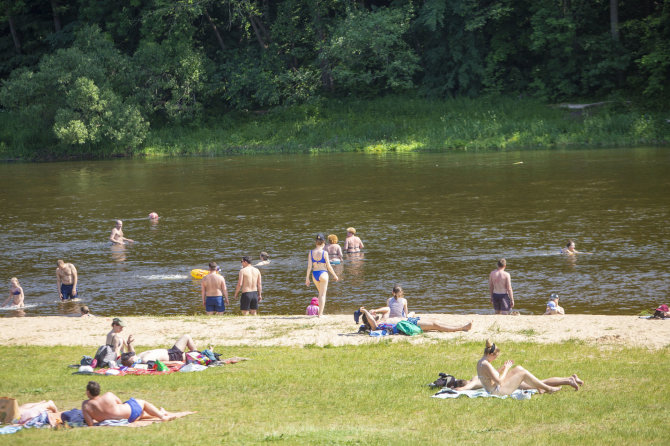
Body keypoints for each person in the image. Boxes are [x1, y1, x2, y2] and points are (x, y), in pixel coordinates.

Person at [476, 339, 583, 396]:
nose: (494, 359)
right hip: (498, 391)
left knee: (519, 368)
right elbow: (498, 381)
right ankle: (548, 388)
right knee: (524, 374)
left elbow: (491, 376)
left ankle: (565, 381)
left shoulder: (482, 362)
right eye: (495, 357)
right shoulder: (486, 364)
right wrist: (507, 369)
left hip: (498, 386)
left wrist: (502, 368)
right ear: (490, 354)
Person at [82, 381, 174, 425]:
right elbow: (120, 403)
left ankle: (161, 413)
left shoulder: (86, 405)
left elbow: (90, 423)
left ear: (88, 392)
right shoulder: (109, 395)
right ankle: (162, 416)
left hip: (129, 419)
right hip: (130, 413)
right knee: (143, 403)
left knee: (141, 413)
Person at [357, 306, 472, 333]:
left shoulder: (383, 319)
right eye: (371, 315)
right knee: (435, 325)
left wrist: (375, 311)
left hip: (409, 321)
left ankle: (460, 326)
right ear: (368, 319)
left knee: (434, 321)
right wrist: (366, 312)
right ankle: (462, 327)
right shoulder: (376, 326)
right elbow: (372, 321)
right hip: (407, 324)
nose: (372, 313)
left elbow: (387, 309)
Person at [305, 233, 339, 317]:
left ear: (315, 242)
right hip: (323, 273)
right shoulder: (325, 253)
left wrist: (307, 279)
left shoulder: (311, 252)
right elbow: (329, 266)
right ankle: (320, 314)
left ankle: (319, 312)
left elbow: (309, 266)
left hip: (314, 274)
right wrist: (335, 275)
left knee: (320, 293)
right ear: (323, 242)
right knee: (322, 295)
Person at [120, 334, 198, 366]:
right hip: (173, 355)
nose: (131, 353)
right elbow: (159, 363)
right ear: (133, 359)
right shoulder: (145, 360)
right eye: (131, 355)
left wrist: (129, 343)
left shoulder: (138, 357)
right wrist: (175, 362)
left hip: (171, 352)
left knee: (191, 354)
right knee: (186, 337)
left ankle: (197, 355)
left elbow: (131, 352)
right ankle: (198, 357)